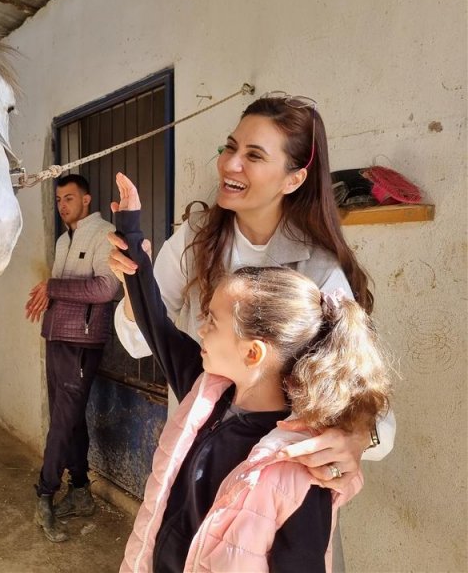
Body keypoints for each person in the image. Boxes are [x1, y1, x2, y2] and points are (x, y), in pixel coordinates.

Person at [108, 95, 395, 491]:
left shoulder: (320, 271)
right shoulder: (194, 241)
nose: (230, 163)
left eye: (254, 155)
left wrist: (356, 438)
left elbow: (366, 401)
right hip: (197, 458)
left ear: (293, 178)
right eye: (230, 147)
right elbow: (139, 342)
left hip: (276, 481)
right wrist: (131, 287)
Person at [112, 176, 392, 571]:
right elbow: (156, 323)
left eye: (211, 321)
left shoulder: (299, 468)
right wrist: (132, 237)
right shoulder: (205, 392)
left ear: (252, 352)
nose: (201, 329)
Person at [25, 173, 120, 542]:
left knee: (62, 423)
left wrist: (53, 287)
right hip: (57, 337)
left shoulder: (104, 232)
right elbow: (64, 291)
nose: (62, 205)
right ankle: (80, 490)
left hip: (81, 343)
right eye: (58, 200)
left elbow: (105, 288)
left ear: (86, 199)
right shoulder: (66, 239)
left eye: (68, 198)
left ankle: (45, 494)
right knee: (70, 418)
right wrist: (49, 295)